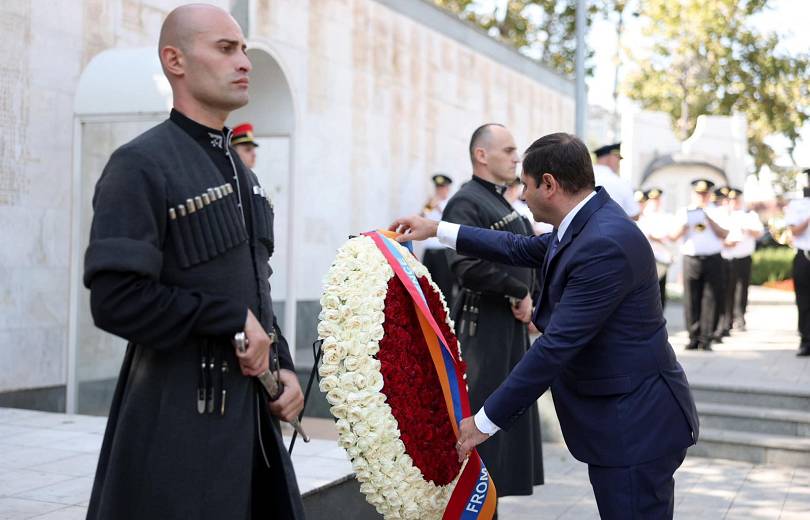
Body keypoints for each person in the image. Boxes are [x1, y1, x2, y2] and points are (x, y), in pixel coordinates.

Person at [390, 132, 698, 519]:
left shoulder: (604, 242)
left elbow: (556, 347)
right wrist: (436, 229)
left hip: (635, 426)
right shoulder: (585, 222)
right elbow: (517, 247)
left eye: (526, 185)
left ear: (549, 185)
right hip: (621, 421)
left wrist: (483, 423)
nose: (522, 193)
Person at [82, 5, 305, 519]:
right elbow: (115, 300)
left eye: (244, 49)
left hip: (251, 421)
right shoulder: (139, 164)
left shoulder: (239, 169)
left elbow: (255, 288)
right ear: (175, 60)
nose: (244, 61)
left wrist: (284, 369)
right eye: (226, 49)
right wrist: (225, 318)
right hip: (177, 418)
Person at [439, 123, 544, 499]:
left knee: (502, 438)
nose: (517, 157)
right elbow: (465, 266)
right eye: (509, 150)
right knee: (481, 433)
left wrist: (532, 296)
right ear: (481, 155)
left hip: (508, 329)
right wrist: (518, 292)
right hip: (482, 333)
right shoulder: (465, 201)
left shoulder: (503, 201)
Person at [671, 179, 729, 351]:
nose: (702, 197)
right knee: (691, 298)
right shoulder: (684, 212)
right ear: (693, 194)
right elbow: (674, 236)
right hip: (691, 258)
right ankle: (693, 336)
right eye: (699, 193)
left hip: (713, 258)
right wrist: (685, 226)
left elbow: (724, 234)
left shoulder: (717, 211)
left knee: (710, 299)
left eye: (705, 193)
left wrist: (708, 219)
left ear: (710, 194)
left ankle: (706, 338)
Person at [720, 187, 764, 334]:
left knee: (742, 289)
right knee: (727, 289)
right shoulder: (724, 214)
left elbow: (759, 233)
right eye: (731, 199)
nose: (734, 202)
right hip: (727, 257)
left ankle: (740, 318)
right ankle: (727, 320)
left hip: (744, 256)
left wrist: (748, 230)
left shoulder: (749, 214)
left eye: (736, 199)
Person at [420, 173, 457, 308]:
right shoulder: (431, 202)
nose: (440, 190)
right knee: (426, 285)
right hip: (429, 250)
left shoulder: (451, 203)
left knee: (444, 287)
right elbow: (421, 217)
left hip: (443, 251)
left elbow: (450, 223)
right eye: (438, 187)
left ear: (447, 188)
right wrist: (430, 205)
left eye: (442, 187)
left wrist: (439, 207)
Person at [785, 171, 810, 356]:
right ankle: (805, 339)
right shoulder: (797, 205)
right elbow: (794, 231)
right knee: (803, 301)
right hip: (804, 255)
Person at [637, 188, 674, 309]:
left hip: (662, 258)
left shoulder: (665, 216)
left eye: (657, 199)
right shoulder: (642, 217)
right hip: (647, 259)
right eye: (653, 199)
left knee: (660, 292)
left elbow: (669, 236)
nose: (655, 202)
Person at [592, 142, 640, 218]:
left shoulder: (582, 177)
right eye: (618, 159)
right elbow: (634, 214)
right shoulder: (621, 183)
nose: (618, 164)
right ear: (611, 157)